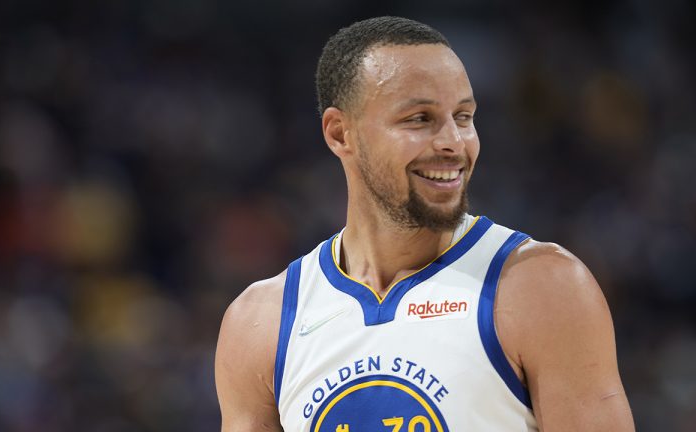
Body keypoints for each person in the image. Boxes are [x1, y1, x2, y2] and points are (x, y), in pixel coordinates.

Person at [215, 16, 634, 432]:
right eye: (419, 119)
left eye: (464, 117)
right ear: (340, 133)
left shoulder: (542, 288)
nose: (454, 142)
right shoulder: (261, 323)